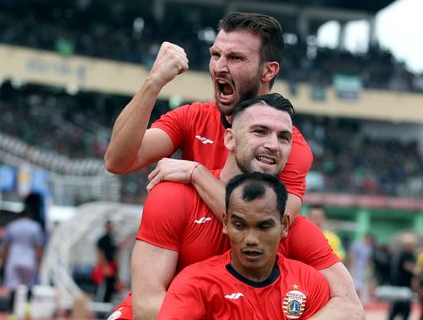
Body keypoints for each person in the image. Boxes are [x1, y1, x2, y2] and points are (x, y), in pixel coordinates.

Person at [108, 94, 363, 320]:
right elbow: (146, 307)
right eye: (260, 131)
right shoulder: (174, 196)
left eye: (283, 137)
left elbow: (351, 308)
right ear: (229, 139)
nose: (273, 144)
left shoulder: (290, 225)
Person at [104, 12, 311, 221]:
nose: (219, 67)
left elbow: (268, 222)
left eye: (235, 58)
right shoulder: (192, 116)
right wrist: (153, 82)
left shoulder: (287, 146)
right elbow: (117, 161)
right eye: (216, 55)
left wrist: (197, 174)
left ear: (268, 71)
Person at [158, 172, 330, 319]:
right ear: (225, 223)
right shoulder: (194, 283)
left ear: (284, 226)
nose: (251, 239)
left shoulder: (310, 283)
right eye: (239, 225)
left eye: (264, 226)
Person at [0, 194, 45, 319]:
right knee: (30, 285)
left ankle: (12, 314)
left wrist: (2, 261)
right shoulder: (35, 227)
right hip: (29, 259)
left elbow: (6, 246)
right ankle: (27, 307)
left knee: (12, 288)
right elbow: (38, 247)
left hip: (14, 258)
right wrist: (39, 263)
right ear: (30, 215)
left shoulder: (12, 226)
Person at [388, 233, 417, 320]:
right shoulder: (403, 254)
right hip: (401, 284)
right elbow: (407, 267)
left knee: (402, 308)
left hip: (407, 285)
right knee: (401, 307)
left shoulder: (411, 255)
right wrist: (417, 270)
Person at [93, 220, 119, 305]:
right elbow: (100, 253)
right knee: (102, 287)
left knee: (110, 287)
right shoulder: (102, 240)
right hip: (106, 266)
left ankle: (107, 303)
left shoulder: (113, 239)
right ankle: (100, 306)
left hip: (111, 266)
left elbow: (115, 253)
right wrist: (104, 266)